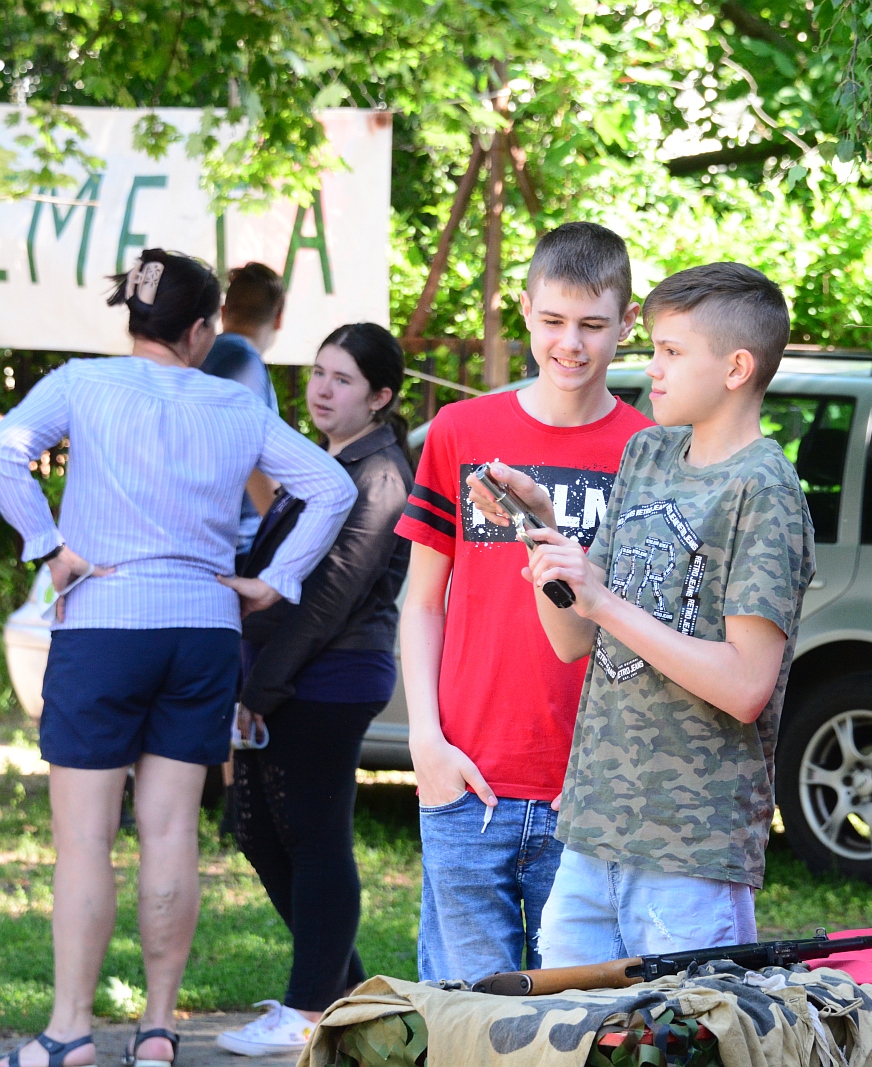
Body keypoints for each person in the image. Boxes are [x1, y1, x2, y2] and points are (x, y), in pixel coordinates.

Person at [0, 250, 353, 1067]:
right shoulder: (234, 404)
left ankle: (69, 1034)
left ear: (134, 317)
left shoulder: (81, 385)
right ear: (201, 329)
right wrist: (277, 579)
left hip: (103, 624)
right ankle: (158, 1031)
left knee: (85, 841)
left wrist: (47, 545)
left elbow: (5, 449)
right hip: (203, 629)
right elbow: (331, 487)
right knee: (170, 836)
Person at [470, 262, 814, 965]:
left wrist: (601, 599)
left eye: (671, 352)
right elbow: (574, 636)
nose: (650, 368)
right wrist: (539, 531)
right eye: (653, 349)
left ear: (736, 367)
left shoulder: (765, 489)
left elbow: (747, 686)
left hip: (691, 853)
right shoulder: (648, 452)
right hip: (593, 831)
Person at [393, 222, 653, 983]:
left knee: (580, 1027)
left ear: (626, 324)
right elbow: (422, 601)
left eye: (593, 326)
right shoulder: (461, 430)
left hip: (593, 791)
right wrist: (424, 743)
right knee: (468, 1022)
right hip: (467, 777)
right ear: (526, 309)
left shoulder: (650, 448)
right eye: (553, 321)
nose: (571, 343)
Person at [215, 324, 414, 1057]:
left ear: (381, 396)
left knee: (316, 837)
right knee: (260, 831)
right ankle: (355, 1007)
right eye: (319, 372)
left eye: (343, 379)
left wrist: (261, 688)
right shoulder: (326, 460)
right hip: (285, 676)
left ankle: (305, 1011)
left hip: (331, 679)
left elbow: (329, 596)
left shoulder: (380, 474)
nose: (322, 389)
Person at [203, 262, 288, 570]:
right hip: (235, 545)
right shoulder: (244, 363)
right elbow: (248, 450)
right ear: (278, 318)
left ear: (223, 312)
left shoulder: (205, 356)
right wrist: (279, 532)